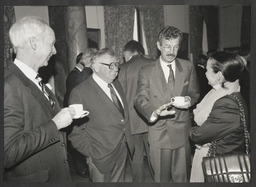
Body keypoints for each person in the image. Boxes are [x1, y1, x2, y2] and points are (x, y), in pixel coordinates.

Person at [4, 16, 76, 182]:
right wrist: (55, 124)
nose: (55, 51)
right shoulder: (9, 86)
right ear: (34, 43)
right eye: (51, 44)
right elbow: (9, 153)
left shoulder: (34, 81)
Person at [134, 26, 200, 182]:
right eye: (167, 46)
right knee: (161, 179)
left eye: (176, 47)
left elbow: (194, 92)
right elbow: (139, 99)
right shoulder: (146, 71)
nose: (172, 51)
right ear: (158, 46)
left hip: (182, 131)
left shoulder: (188, 67)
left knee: (182, 178)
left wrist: (189, 100)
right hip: (159, 131)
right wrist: (154, 112)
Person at [68, 48, 134, 182]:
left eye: (117, 64)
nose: (116, 69)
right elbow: (75, 134)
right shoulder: (80, 92)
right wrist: (92, 154)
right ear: (96, 67)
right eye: (111, 65)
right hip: (100, 157)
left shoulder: (116, 85)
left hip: (122, 150)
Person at [189, 51, 249, 182]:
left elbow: (198, 134)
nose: (204, 73)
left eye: (207, 70)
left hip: (219, 162)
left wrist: (192, 131)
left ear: (219, 76)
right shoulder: (221, 91)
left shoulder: (227, 103)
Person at [118, 40, 154, 182]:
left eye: (124, 54)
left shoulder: (123, 68)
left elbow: (119, 97)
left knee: (136, 158)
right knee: (154, 158)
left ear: (129, 52)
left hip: (132, 121)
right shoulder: (154, 64)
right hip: (152, 118)